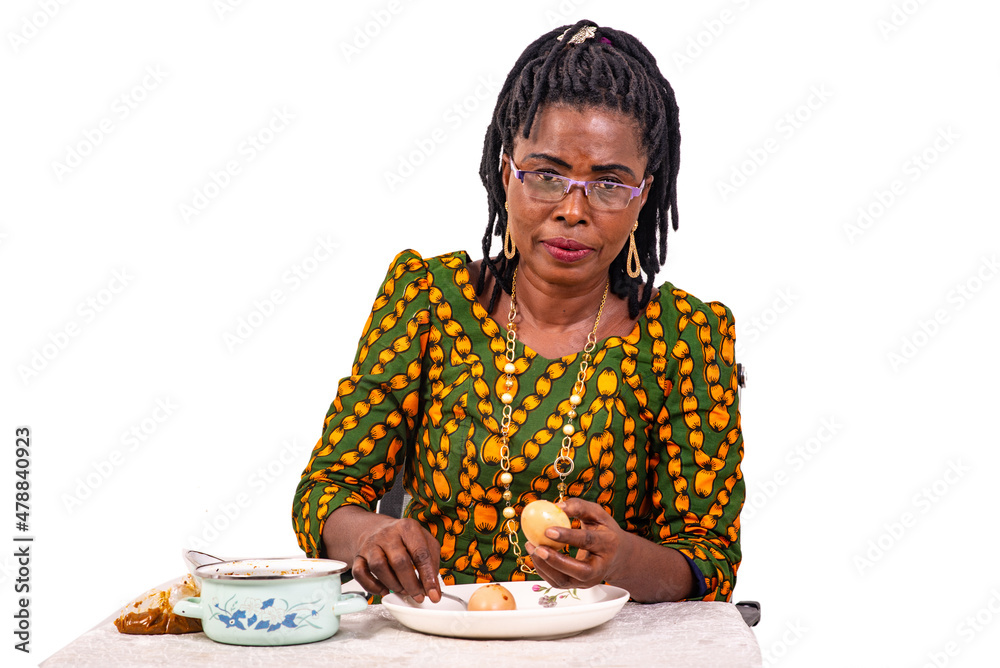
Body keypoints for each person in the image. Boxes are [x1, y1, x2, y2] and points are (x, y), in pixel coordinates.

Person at [292, 20, 744, 605]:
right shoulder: (430, 300)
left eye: (609, 185)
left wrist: (624, 560)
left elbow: (709, 561)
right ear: (507, 175)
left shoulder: (689, 338)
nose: (573, 209)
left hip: (609, 651)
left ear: (643, 199)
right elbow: (325, 493)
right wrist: (374, 534)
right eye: (547, 176)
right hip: (438, 638)